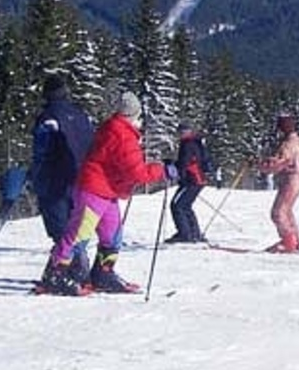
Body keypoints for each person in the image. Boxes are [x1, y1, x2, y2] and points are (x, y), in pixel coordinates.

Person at [37, 91, 176, 296]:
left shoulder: (116, 128)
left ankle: (103, 273)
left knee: (112, 234)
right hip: (94, 189)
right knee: (78, 234)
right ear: (134, 114)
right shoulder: (122, 135)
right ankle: (55, 275)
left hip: (107, 189)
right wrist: (161, 170)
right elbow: (136, 172)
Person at [29, 75, 95, 280]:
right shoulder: (81, 115)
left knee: (59, 229)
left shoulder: (48, 117)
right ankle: (80, 269)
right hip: (80, 179)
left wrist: (35, 177)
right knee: (74, 226)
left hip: (54, 180)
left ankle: (62, 273)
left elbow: (42, 150)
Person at [258, 112, 299, 253]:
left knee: (278, 212)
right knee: (287, 211)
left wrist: (259, 165)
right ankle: (296, 241)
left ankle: (289, 242)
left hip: (290, 179)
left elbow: (279, 163)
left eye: (280, 125)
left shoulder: (287, 144)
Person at [166, 122, 209, 243]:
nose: (180, 134)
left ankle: (185, 234)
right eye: (179, 132)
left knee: (177, 205)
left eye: (183, 132)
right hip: (196, 180)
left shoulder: (188, 144)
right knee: (185, 206)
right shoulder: (196, 142)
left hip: (192, 180)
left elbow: (185, 163)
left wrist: (172, 167)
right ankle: (194, 233)